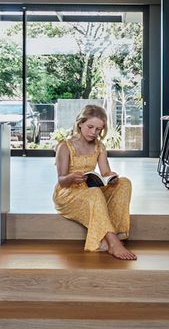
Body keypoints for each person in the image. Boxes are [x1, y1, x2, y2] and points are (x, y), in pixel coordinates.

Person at [53, 104, 136, 260]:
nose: (94, 132)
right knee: (94, 193)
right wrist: (71, 177)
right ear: (80, 123)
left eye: (98, 129)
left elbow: (104, 172)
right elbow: (62, 180)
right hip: (68, 193)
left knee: (124, 183)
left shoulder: (99, 146)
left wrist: (111, 177)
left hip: (91, 189)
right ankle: (113, 243)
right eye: (90, 127)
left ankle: (115, 233)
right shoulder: (65, 146)